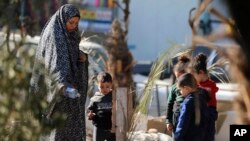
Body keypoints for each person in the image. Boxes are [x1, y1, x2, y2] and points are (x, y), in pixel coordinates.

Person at [30, 4, 88, 141]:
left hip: (69, 94)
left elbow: (71, 55)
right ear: (63, 20)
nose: (73, 26)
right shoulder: (55, 34)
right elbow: (54, 61)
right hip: (56, 94)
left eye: (76, 23)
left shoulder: (70, 35)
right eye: (71, 22)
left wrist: (82, 57)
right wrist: (61, 83)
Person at [189, 53, 219, 141]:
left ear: (201, 73)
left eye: (194, 75)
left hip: (206, 128)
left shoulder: (207, 89)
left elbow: (210, 112)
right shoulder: (199, 86)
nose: (193, 78)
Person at [174, 73, 208, 141]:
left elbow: (183, 122)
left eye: (180, 89)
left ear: (186, 88)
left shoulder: (188, 102)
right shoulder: (202, 99)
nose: (180, 92)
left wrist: (177, 137)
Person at [165, 55, 190, 138]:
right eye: (177, 78)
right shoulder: (174, 88)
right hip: (176, 122)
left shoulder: (193, 88)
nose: (179, 81)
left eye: (181, 77)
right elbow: (170, 105)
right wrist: (168, 121)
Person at [87, 72, 115, 141]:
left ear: (111, 85)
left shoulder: (114, 96)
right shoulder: (95, 98)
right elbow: (90, 110)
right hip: (99, 127)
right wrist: (90, 115)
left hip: (112, 128)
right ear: (98, 85)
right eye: (102, 87)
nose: (105, 89)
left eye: (107, 86)